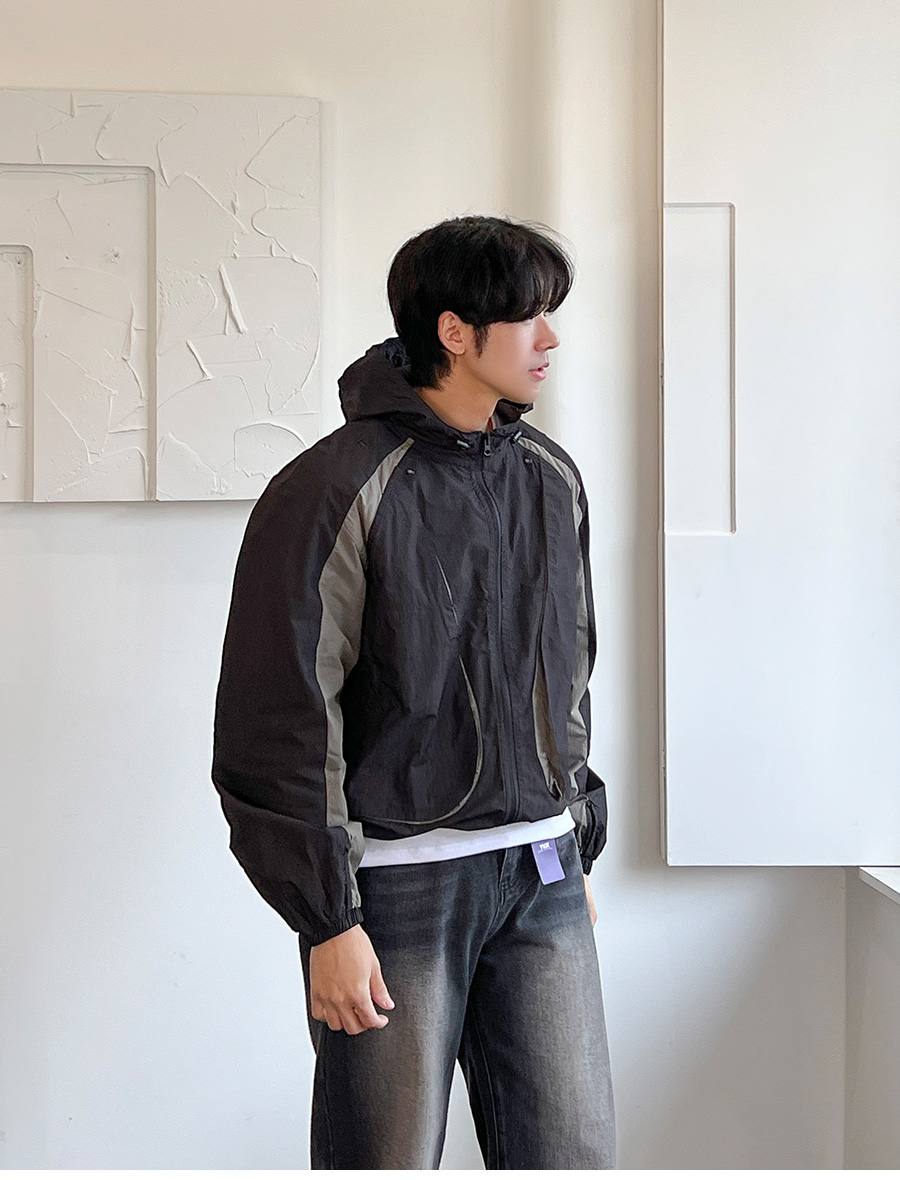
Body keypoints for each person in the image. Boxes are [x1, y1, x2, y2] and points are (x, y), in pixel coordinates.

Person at [211, 214, 616, 1169]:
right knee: (382, 1160)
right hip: (394, 893)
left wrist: (572, 829)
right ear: (454, 331)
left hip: (543, 874)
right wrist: (328, 919)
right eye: (529, 317)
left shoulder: (550, 478)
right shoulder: (333, 487)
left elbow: (566, 672)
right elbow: (281, 712)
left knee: (574, 1158)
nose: (552, 339)